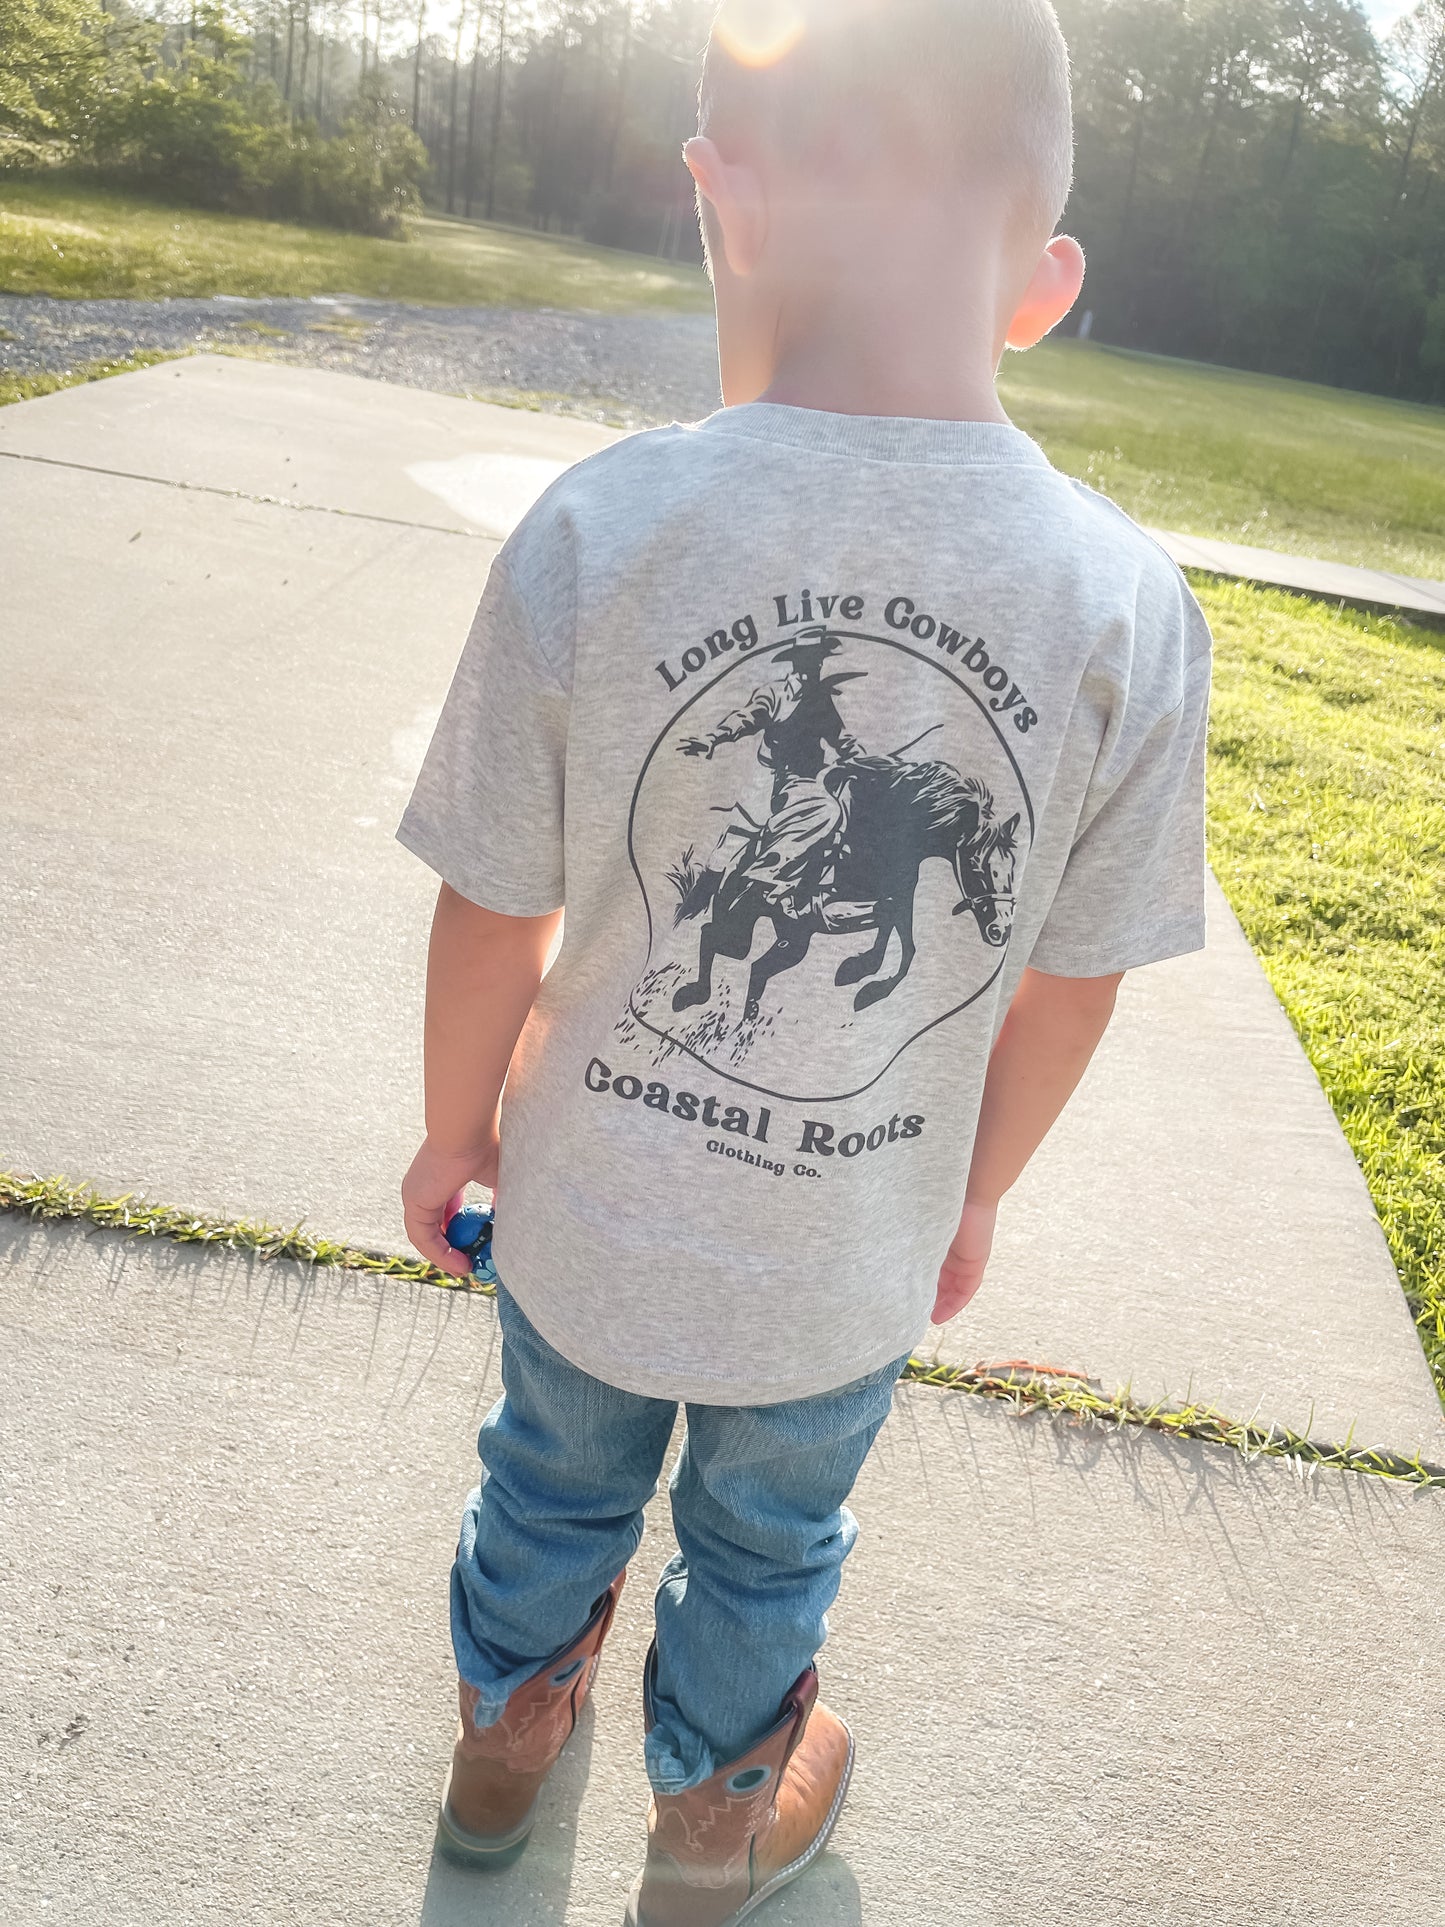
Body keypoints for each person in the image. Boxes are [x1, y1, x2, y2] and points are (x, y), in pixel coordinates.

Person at [396, 1, 1212, 1921]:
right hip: (846, 1258)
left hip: (585, 1221)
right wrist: (970, 1191)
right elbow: (1069, 980)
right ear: (1046, 287)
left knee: (548, 1480)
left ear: (720, 201)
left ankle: (506, 1733)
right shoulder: (1123, 600)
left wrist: (454, 1134)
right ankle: (712, 1821)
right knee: (767, 1546)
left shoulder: (602, 521)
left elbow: (492, 902)